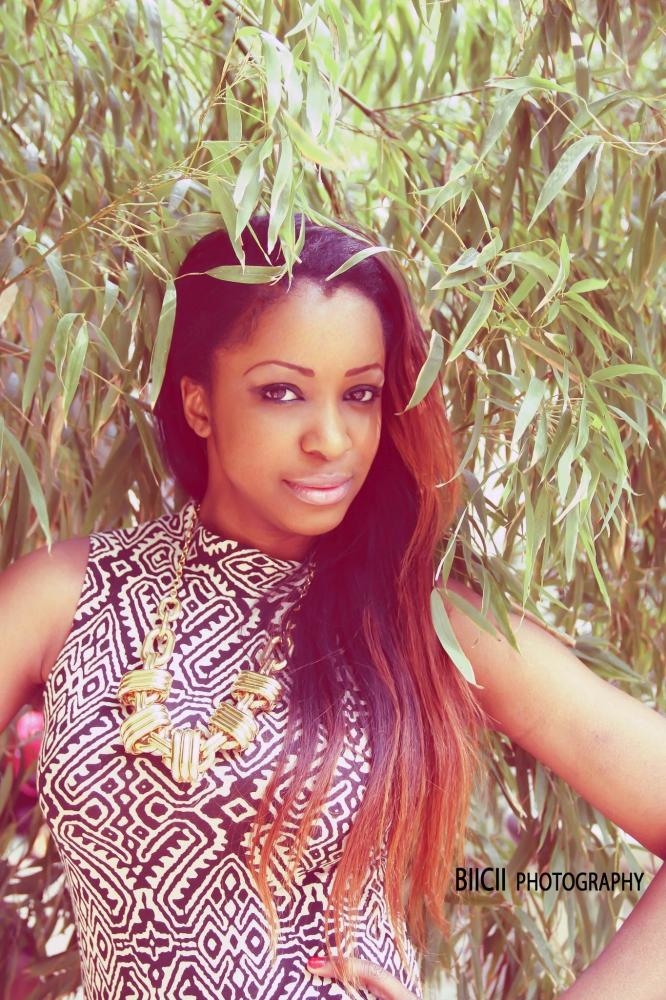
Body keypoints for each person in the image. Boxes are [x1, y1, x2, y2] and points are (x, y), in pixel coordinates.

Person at [1, 214, 664, 1000]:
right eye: (281, 391)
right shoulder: (66, 597)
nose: (332, 439)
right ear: (198, 403)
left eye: (360, 394)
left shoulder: (424, 624)